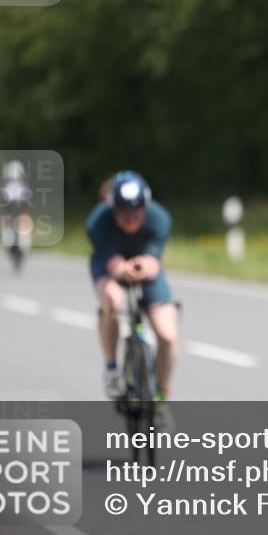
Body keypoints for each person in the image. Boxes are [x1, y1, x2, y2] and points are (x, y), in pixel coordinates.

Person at [85, 171, 178, 402]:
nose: (131, 218)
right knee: (112, 301)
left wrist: (147, 265)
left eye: (136, 211)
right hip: (110, 266)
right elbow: (110, 260)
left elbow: (154, 261)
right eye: (123, 212)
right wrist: (118, 268)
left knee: (167, 334)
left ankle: (161, 392)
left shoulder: (160, 219)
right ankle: (112, 368)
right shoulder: (98, 222)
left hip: (144, 265)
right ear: (112, 208)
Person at [0, 160, 33, 271]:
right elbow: (27, 201)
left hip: (12, 208)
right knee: (25, 220)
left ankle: (9, 242)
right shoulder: (23, 183)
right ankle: (24, 244)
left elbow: (4, 202)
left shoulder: (7, 184)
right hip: (18, 208)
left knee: (7, 220)